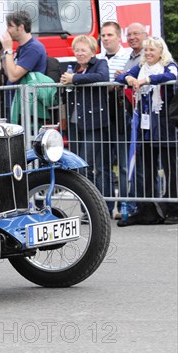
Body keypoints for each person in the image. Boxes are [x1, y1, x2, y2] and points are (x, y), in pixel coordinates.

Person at [115, 36, 178, 225]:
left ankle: (174, 208)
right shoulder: (141, 66)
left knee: (170, 168)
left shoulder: (169, 65)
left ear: (161, 52)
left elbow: (173, 77)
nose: (149, 53)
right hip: (145, 125)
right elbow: (118, 77)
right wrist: (128, 77)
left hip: (165, 124)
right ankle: (149, 209)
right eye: (146, 50)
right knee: (147, 167)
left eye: (153, 50)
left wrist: (147, 80)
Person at [61, 35, 113, 215]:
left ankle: (103, 207)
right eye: (77, 50)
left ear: (92, 51)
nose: (79, 53)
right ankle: (89, 210)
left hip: (94, 122)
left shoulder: (100, 64)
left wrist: (74, 78)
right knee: (82, 167)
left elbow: (102, 77)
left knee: (90, 165)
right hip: (76, 123)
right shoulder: (74, 68)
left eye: (83, 50)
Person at [97, 21, 134, 217]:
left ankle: (126, 206)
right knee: (103, 165)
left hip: (121, 115)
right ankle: (105, 208)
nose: (106, 39)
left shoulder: (128, 57)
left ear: (119, 37)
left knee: (124, 164)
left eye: (110, 35)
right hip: (102, 116)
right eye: (103, 35)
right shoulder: (97, 58)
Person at [0, 11, 47, 84]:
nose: (7, 30)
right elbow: (8, 73)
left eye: (10, 26)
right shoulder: (22, 47)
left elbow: (13, 77)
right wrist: (3, 52)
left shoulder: (33, 48)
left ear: (21, 27)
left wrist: (8, 50)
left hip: (26, 94)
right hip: (16, 94)